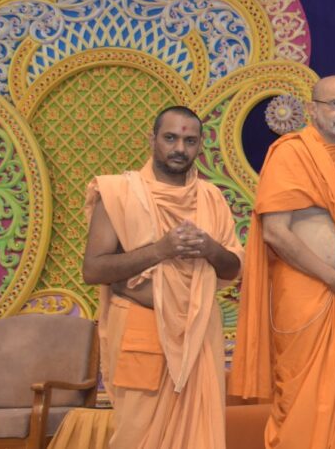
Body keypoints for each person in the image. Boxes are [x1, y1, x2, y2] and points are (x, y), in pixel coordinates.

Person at [231, 76, 335, 449]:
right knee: (300, 402)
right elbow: (275, 233)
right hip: (307, 298)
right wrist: (334, 279)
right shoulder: (291, 153)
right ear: (312, 109)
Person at [82, 106, 243, 449]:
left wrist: (209, 248)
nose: (179, 148)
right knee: (136, 436)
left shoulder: (212, 198)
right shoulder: (117, 193)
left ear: (200, 145)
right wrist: (161, 249)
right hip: (141, 329)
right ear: (152, 139)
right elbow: (93, 270)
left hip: (199, 333)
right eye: (170, 138)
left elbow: (233, 269)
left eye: (189, 140)